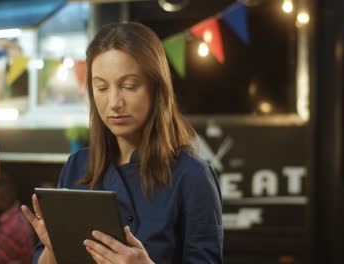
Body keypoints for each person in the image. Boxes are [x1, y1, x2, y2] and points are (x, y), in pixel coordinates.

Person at [22, 22, 223, 264]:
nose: (114, 102)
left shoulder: (191, 176)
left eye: (129, 86)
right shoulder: (78, 165)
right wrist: (53, 250)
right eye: (102, 88)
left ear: (156, 88)